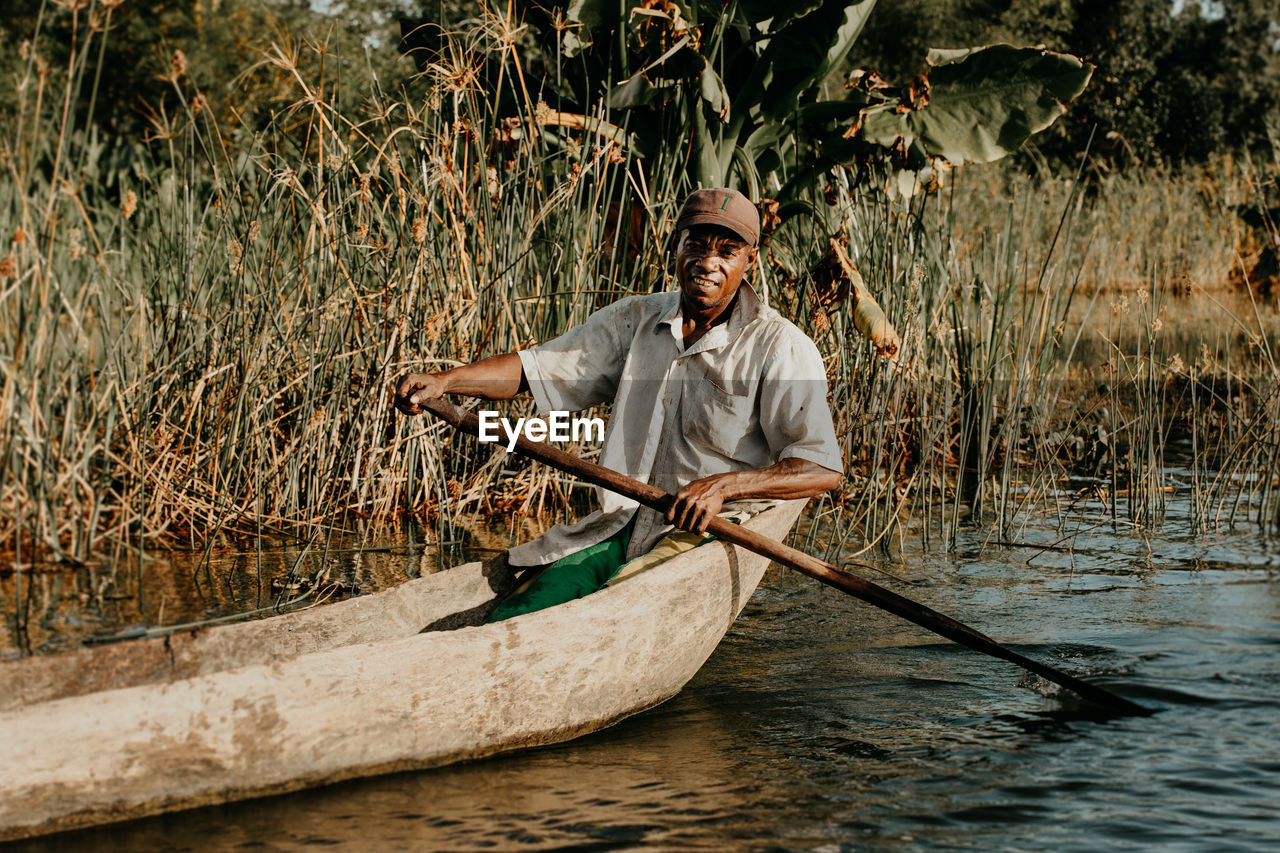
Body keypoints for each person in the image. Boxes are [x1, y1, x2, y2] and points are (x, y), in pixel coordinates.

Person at [394, 187, 842, 620]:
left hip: (705, 530)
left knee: (612, 608)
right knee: (524, 610)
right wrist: (446, 380)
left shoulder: (780, 346)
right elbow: (538, 369)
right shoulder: (636, 318)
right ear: (675, 246)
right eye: (697, 245)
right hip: (623, 518)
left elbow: (821, 467)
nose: (707, 262)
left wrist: (722, 486)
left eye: (727, 251)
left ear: (750, 260)